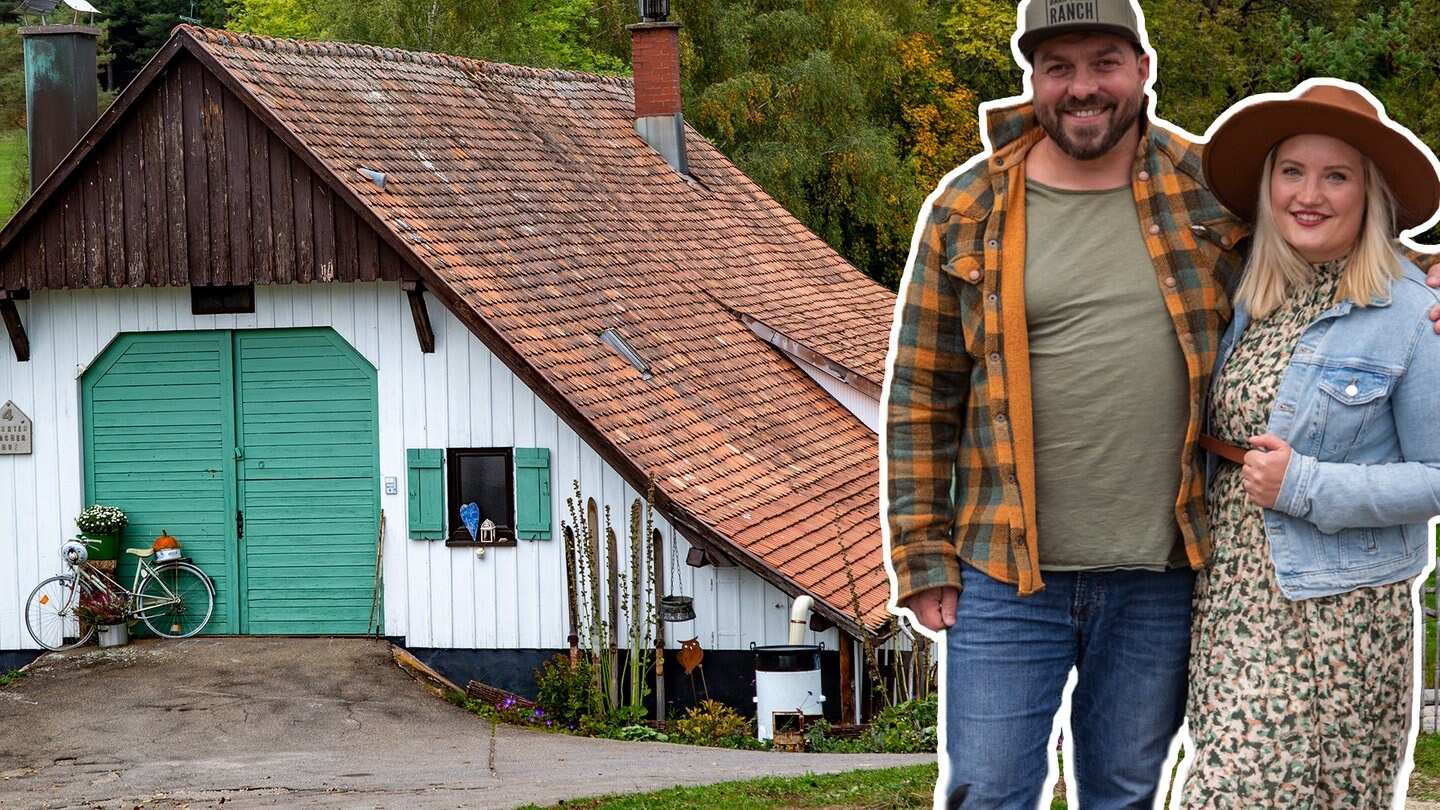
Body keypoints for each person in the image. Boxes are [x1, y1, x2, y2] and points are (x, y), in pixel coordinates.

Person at [881, 0, 1440, 807]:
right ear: (1032, 79)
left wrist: (1422, 271)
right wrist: (921, 556)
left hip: (1163, 570)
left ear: (1142, 71)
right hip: (1005, 572)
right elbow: (921, 396)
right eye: (1059, 67)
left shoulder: (1205, 188)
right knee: (989, 788)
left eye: (1104, 62)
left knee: (1124, 792)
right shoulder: (967, 208)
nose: (1083, 87)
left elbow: (1323, 228)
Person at [1180, 80, 1440, 808]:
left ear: (1371, 192)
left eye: (1336, 175)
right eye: (1292, 171)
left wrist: (1306, 485)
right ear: (1267, 187)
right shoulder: (1247, 298)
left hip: (1337, 617)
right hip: (1230, 602)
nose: (1310, 193)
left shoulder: (1413, 314)